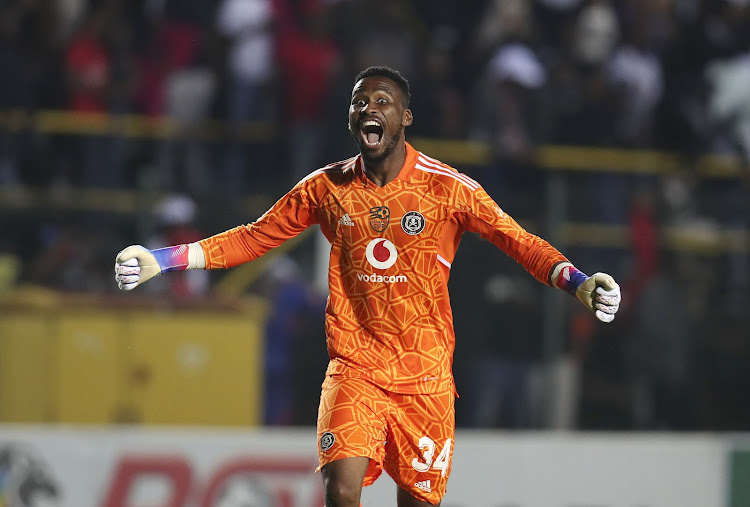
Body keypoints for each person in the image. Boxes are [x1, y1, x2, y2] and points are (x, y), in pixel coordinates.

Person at [114, 66, 621, 507]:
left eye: (382, 101)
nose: (368, 108)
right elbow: (253, 238)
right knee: (342, 491)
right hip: (356, 368)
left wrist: (578, 282)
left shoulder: (448, 190)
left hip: (425, 379)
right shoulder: (326, 187)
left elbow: (520, 242)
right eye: (359, 101)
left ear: (405, 119)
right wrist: (163, 259)